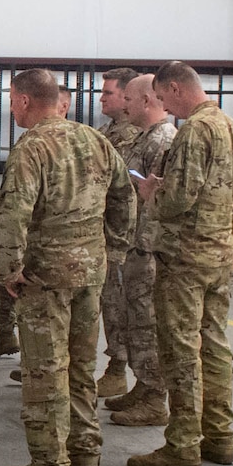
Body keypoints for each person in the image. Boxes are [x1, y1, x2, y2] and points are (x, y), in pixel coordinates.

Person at [0, 69, 135, 466]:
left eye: (12, 100)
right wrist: (114, 251)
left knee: (44, 369)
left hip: (45, 275)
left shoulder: (32, 146)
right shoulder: (96, 140)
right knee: (80, 367)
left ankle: (50, 463)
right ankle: (85, 455)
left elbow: (13, 212)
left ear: (22, 100)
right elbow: (124, 198)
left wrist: (9, 268)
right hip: (91, 271)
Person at [127, 62, 233, 466]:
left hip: (184, 256)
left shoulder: (194, 131)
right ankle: (219, 436)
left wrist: (150, 193)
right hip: (219, 253)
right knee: (214, 344)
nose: (164, 106)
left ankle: (182, 445)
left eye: (163, 98)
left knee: (180, 349)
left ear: (176, 89)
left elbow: (178, 199)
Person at [108, 73, 177, 427]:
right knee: (132, 320)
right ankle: (143, 385)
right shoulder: (144, 137)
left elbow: (157, 193)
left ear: (147, 102)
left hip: (148, 246)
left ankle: (154, 397)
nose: (126, 105)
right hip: (135, 242)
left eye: (131, 100)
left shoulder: (163, 139)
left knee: (146, 322)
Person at [94, 66, 143, 397]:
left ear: (126, 98)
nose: (102, 98)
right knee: (108, 304)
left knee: (122, 306)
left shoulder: (139, 137)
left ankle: (121, 370)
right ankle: (116, 369)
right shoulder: (104, 134)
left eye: (108, 92)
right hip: (104, 234)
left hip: (128, 238)